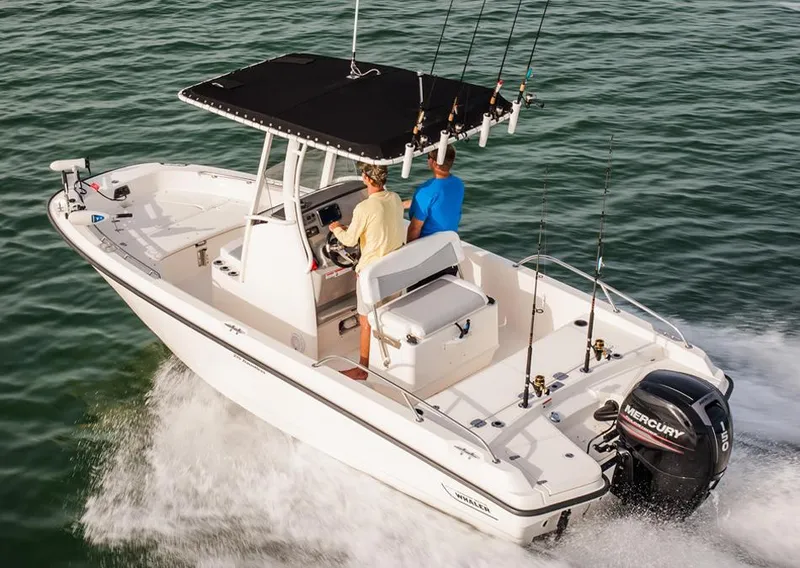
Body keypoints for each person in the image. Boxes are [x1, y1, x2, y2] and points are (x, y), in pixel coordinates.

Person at [329, 163, 405, 381]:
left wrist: (336, 228)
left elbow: (350, 240)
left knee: (366, 322)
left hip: (371, 274)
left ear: (366, 179)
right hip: (394, 268)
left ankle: (363, 368)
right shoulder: (395, 198)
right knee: (386, 313)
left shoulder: (364, 208)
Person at [405, 145, 464, 243]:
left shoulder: (425, 191)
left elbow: (414, 229)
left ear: (435, 163)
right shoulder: (458, 184)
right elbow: (436, 204)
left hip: (429, 245)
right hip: (448, 242)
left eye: (428, 157)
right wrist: (403, 204)